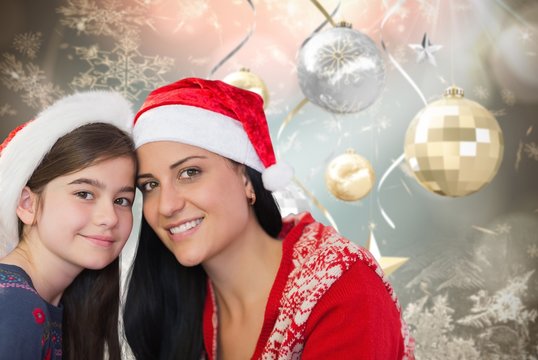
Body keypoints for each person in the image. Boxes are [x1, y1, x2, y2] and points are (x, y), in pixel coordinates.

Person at [123, 77, 414, 359]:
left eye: (190, 173)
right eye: (150, 185)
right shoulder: (175, 300)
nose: (166, 205)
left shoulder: (342, 286)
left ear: (247, 180)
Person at [0, 91, 137, 360]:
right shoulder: (14, 307)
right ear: (28, 204)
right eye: (84, 194)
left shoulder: (50, 302)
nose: (109, 217)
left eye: (122, 200)